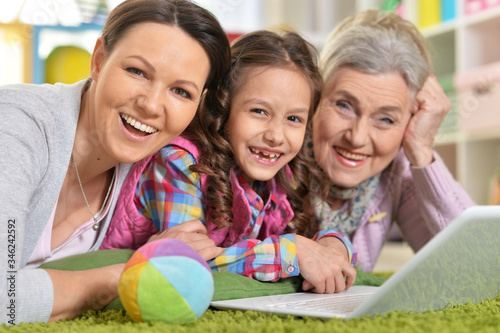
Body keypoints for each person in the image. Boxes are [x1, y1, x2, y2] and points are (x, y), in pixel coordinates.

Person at [0, 0, 231, 324]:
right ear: (98, 60)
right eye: (137, 71)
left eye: (180, 91)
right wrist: (127, 273)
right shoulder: (15, 126)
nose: (151, 105)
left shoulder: (153, 169)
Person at [101, 30, 357, 294]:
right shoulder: (179, 161)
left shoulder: (280, 176)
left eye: (294, 119)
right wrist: (293, 251)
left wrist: (331, 245)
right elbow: (184, 265)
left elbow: (314, 242)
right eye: (259, 111)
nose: (275, 136)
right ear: (223, 108)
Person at [307, 9, 475, 273]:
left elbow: (476, 263)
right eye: (343, 105)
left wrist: (421, 149)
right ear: (316, 96)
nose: (357, 137)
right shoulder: (275, 151)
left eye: (385, 119)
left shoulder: (396, 172)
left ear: (411, 118)